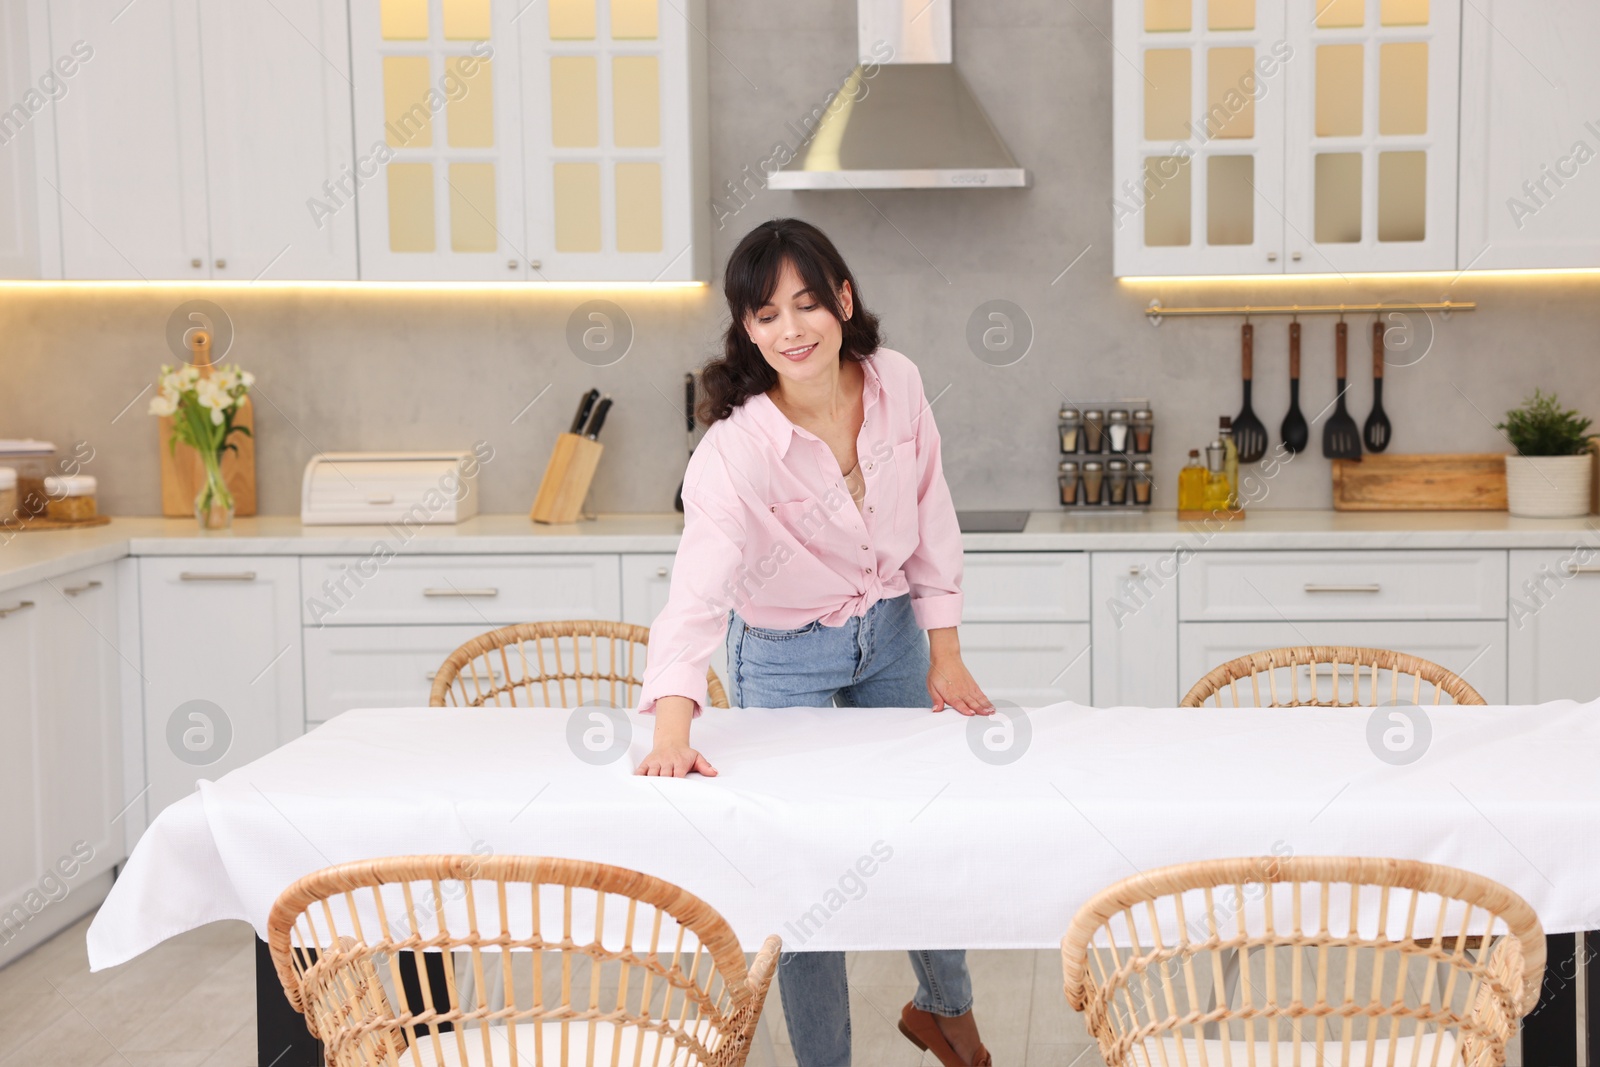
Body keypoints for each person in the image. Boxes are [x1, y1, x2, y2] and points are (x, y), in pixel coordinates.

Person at [633, 217, 995, 1067]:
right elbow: (697, 593)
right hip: (784, 651)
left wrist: (945, 647)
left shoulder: (895, 383)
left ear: (843, 299)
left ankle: (947, 1011)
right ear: (747, 330)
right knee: (802, 876)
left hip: (895, 631)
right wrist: (672, 730)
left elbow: (932, 511)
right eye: (765, 315)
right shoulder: (734, 452)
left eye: (806, 304)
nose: (790, 329)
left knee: (915, 828)